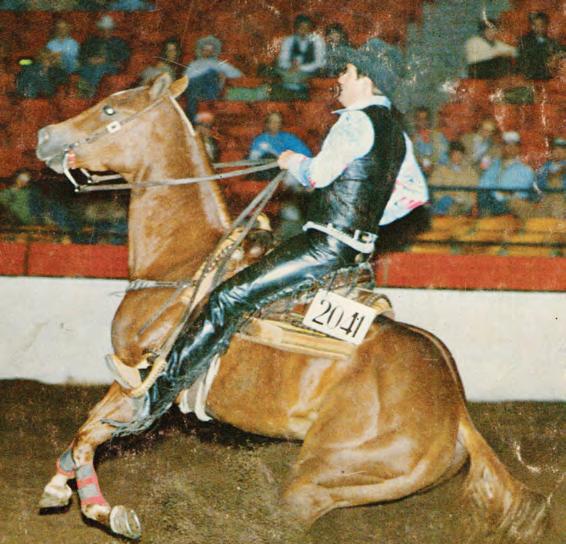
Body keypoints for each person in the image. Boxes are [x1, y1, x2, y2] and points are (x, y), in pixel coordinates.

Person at [112, 46, 428, 434]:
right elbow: (414, 194)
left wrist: (292, 161)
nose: (340, 80)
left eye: (347, 72)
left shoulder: (353, 122)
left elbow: (316, 176)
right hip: (356, 252)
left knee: (226, 297)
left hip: (322, 248)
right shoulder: (397, 133)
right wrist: (366, 221)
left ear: (367, 79)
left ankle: (153, 395)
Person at [184, 35, 242, 121]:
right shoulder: (194, 63)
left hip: (210, 90)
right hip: (195, 90)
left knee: (210, 74)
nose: (207, 53)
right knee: (193, 88)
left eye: (210, 51)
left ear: (213, 52)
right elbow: (186, 78)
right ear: (201, 51)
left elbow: (231, 75)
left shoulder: (218, 64)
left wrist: (221, 80)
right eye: (205, 50)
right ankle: (193, 120)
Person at [478, 131, 535, 216]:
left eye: (514, 145)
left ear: (518, 148)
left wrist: (503, 196)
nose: (510, 148)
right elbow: (483, 185)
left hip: (509, 207)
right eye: (507, 145)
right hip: (490, 203)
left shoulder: (525, 170)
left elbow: (521, 194)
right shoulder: (492, 165)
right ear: (502, 147)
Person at [77, 14, 130, 98]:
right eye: (103, 30)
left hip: (111, 65)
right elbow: (83, 53)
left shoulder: (119, 42)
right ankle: (83, 90)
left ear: (112, 30)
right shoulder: (92, 40)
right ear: (100, 30)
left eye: (108, 30)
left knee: (99, 68)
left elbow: (125, 56)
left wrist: (106, 59)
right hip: (93, 63)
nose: (106, 32)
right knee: (85, 68)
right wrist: (89, 59)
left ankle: (90, 91)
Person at [276, 15, 326, 97]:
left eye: (307, 28)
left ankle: (296, 91)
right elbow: (282, 61)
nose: (304, 30)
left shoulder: (317, 41)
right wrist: (290, 67)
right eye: (301, 27)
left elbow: (319, 63)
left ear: (311, 29)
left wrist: (300, 68)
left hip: (311, 71)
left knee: (295, 78)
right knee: (284, 75)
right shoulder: (289, 40)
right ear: (296, 28)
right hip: (290, 70)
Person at [428, 141, 479, 215]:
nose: (457, 157)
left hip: (464, 203)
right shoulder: (441, 170)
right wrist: (449, 196)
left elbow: (474, 190)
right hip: (446, 203)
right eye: (455, 154)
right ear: (450, 155)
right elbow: (434, 188)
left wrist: (473, 204)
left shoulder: (470, 171)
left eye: (460, 154)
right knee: (445, 202)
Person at [517, 12, 563, 81]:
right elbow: (525, 62)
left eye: (541, 26)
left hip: (548, 77)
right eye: (534, 25)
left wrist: (557, 56)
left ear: (546, 26)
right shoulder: (524, 41)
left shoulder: (551, 41)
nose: (538, 28)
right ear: (531, 25)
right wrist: (547, 63)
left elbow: (558, 51)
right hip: (532, 76)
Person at [410, 106, 449, 176]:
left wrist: (433, 166)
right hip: (417, 174)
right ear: (415, 121)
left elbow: (445, 159)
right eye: (419, 119)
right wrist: (420, 165)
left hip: (438, 173)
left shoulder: (439, 136)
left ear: (429, 120)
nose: (422, 122)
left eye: (425, 119)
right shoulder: (411, 140)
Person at [535, 136, 566, 218]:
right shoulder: (545, 167)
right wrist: (549, 177)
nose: (559, 152)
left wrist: (559, 174)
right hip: (546, 198)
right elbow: (539, 184)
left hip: (563, 199)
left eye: (562, 149)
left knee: (556, 186)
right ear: (552, 151)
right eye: (556, 149)